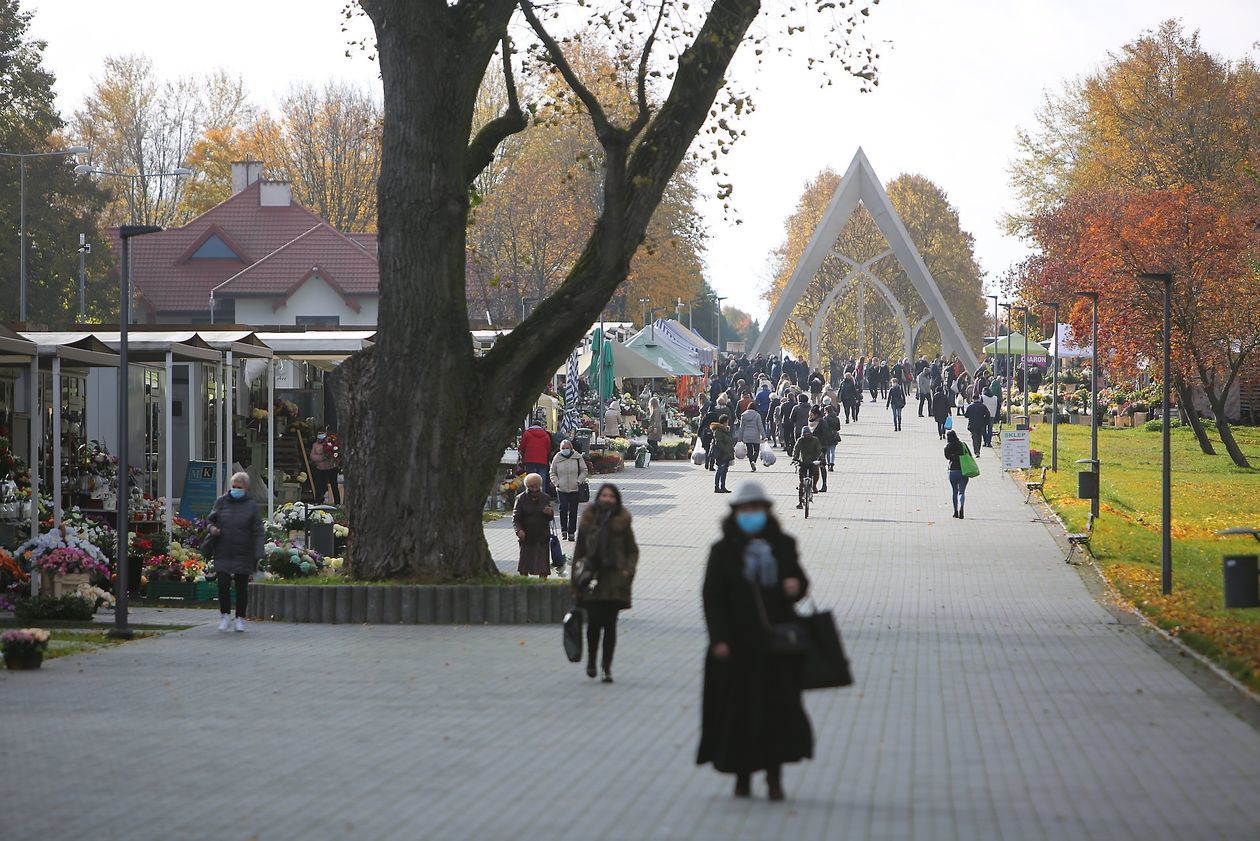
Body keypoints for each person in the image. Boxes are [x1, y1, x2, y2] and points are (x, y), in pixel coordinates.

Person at [698, 480, 812, 801]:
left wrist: (795, 586)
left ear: (766, 512)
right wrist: (719, 639)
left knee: (777, 713)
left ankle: (774, 778)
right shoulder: (723, 552)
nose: (751, 515)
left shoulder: (783, 545)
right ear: (736, 514)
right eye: (745, 510)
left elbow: (801, 582)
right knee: (739, 713)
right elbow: (713, 597)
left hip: (777, 646)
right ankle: (742, 776)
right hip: (737, 647)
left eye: (756, 510)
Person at [572, 483, 638, 683]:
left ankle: (606, 667)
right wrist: (575, 584)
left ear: (616, 499)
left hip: (615, 580)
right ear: (598, 497)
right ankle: (592, 660)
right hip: (591, 579)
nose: (607, 499)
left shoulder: (622, 520)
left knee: (610, 626)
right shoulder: (588, 520)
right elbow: (579, 553)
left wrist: (628, 571)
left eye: (611, 496)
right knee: (593, 625)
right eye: (604, 495)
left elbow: (632, 550)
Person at [208, 471, 264, 633]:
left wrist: (258, 551)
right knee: (223, 584)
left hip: (243, 552)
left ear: (246, 488)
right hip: (223, 550)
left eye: (239, 487)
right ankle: (225, 615)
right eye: (233, 487)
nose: (235, 489)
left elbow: (258, 530)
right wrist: (213, 529)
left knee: (241, 587)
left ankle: (240, 618)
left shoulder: (251, 506)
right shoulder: (221, 502)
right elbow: (210, 521)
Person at [513, 473, 554, 576]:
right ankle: (524, 583)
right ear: (527, 486)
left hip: (542, 535)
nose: (535, 489)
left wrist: (550, 513)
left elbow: (550, 518)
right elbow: (516, 518)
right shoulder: (521, 498)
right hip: (527, 535)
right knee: (525, 563)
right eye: (532, 487)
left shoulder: (545, 497)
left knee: (543, 564)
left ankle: (543, 584)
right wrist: (519, 530)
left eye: (536, 487)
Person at [549, 439, 588, 541]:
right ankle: (564, 530)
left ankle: (572, 532)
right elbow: (552, 472)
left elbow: (584, 470)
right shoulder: (557, 458)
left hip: (574, 488)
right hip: (561, 488)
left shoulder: (577, 457)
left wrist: (579, 481)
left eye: (567, 448)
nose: (565, 450)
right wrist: (556, 482)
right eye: (563, 448)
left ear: (571, 448)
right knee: (563, 508)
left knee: (573, 510)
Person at [791, 424, 823, 508]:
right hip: (803, 462)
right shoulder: (800, 440)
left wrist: (821, 459)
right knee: (801, 483)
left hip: (813, 461)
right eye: (805, 435)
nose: (807, 436)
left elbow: (819, 450)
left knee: (816, 472)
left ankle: (814, 485)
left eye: (808, 434)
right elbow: (796, 450)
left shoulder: (815, 440)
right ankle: (800, 502)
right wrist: (795, 459)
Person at [309, 427, 341, 505]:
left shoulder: (331, 443)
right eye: (319, 434)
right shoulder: (315, 445)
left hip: (331, 468)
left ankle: (337, 502)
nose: (320, 436)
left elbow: (335, 452)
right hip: (320, 468)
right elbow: (312, 456)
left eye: (322, 433)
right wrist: (322, 458)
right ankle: (318, 501)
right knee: (319, 485)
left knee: (334, 485)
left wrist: (332, 455)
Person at [520, 420, 554, 494]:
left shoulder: (526, 434)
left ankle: (530, 496)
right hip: (542, 460)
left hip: (530, 459)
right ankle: (542, 497)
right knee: (541, 480)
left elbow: (522, 447)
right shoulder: (545, 435)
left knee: (530, 479)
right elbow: (548, 448)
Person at [944, 430, 970, 519]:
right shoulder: (962, 445)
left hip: (953, 471)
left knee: (954, 491)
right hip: (963, 470)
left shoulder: (947, 447)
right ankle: (962, 508)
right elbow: (969, 454)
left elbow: (947, 457)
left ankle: (955, 511)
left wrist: (952, 456)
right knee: (962, 492)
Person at [737, 402, 766, 471]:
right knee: (756, 450)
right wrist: (764, 436)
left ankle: (751, 462)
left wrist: (740, 438)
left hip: (746, 435)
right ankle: (754, 461)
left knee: (749, 450)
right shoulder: (757, 415)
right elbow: (760, 426)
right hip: (755, 435)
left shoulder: (743, 415)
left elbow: (742, 427)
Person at [710, 414, 734, 494]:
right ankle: (717, 487)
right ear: (724, 422)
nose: (728, 423)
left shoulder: (725, 430)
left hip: (726, 453)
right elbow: (718, 442)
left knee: (725, 471)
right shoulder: (718, 431)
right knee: (720, 470)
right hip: (721, 453)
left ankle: (723, 486)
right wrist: (725, 450)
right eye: (727, 422)